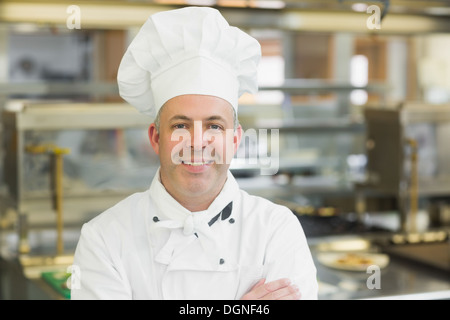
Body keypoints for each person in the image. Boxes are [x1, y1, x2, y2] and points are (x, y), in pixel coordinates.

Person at [71, 6, 318, 300]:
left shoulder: (276, 229)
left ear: (235, 139)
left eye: (214, 125)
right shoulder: (104, 239)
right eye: (181, 125)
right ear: (156, 138)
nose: (197, 143)